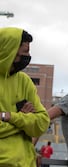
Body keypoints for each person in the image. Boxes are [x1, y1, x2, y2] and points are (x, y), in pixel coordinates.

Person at [0, 27, 50, 167]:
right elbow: (34, 123)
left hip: (27, 163)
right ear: (9, 51)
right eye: (25, 52)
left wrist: (11, 117)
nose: (28, 56)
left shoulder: (24, 80)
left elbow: (42, 123)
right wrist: (24, 121)